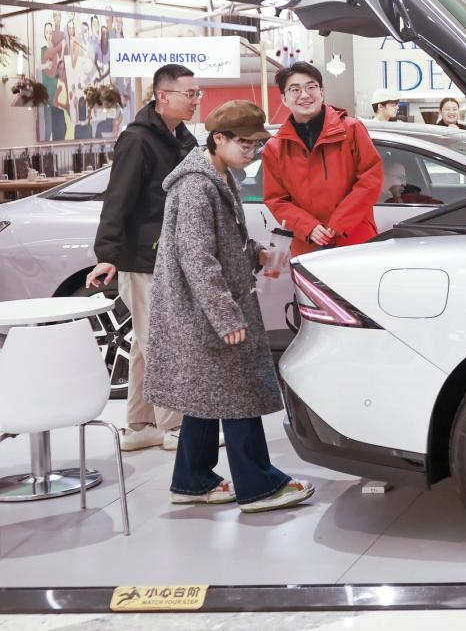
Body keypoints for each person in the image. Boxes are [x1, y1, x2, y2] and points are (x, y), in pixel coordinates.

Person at [144, 100, 314, 514]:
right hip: (205, 312)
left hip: (205, 310)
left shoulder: (216, 175)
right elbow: (197, 257)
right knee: (239, 394)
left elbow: (219, 242)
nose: (252, 152)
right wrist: (225, 315)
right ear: (218, 139)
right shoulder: (197, 185)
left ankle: (192, 480)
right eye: (245, 144)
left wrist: (255, 254)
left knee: (207, 397)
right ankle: (259, 486)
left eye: (256, 144)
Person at [86, 64, 200, 452]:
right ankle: (176, 427)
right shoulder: (137, 140)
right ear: (162, 96)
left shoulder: (182, 138)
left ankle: (140, 425)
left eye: (197, 93)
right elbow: (117, 199)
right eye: (189, 94)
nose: (195, 100)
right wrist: (107, 254)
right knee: (163, 343)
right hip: (143, 259)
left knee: (144, 344)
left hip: (171, 255)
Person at [262, 61, 383, 256]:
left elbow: (371, 179)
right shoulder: (275, 148)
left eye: (311, 87)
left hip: (354, 236)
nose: (304, 95)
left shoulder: (351, 130)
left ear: (322, 92)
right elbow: (276, 199)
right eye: (295, 89)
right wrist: (307, 226)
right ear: (284, 98)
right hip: (308, 244)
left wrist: (340, 222)